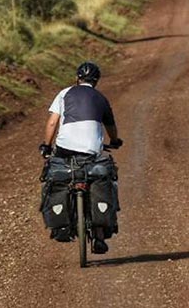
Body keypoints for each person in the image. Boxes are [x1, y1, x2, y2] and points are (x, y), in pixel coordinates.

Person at [39, 61, 122, 254]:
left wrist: (46, 146)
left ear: (77, 78)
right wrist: (116, 140)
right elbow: (111, 128)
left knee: (60, 173)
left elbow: (52, 123)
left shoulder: (64, 93)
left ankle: (61, 225)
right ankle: (100, 235)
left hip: (64, 147)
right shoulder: (101, 98)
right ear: (96, 81)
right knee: (99, 179)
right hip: (92, 149)